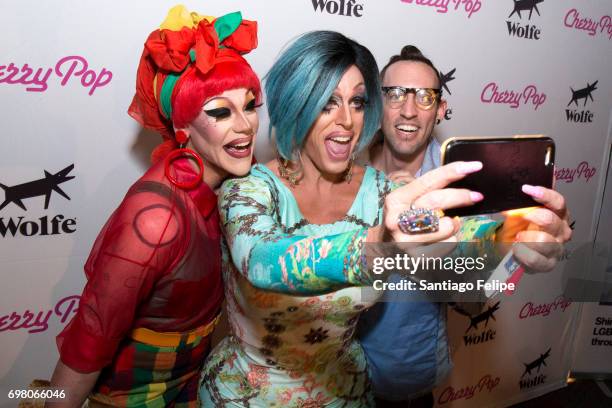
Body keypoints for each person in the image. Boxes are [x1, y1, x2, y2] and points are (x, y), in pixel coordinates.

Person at [198, 31, 489, 407]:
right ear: (297, 104)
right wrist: (373, 247)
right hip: (248, 395)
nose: (347, 121)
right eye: (327, 103)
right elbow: (261, 261)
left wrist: (513, 241)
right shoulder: (248, 190)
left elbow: (458, 259)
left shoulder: (385, 193)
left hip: (347, 392)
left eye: (357, 102)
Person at [46, 6, 261, 407]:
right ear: (182, 126)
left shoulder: (230, 188)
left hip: (191, 387)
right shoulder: (156, 218)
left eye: (250, 105)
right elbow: (90, 338)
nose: (246, 125)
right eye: (220, 111)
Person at [357, 45, 572, 407]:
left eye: (425, 97)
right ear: (378, 105)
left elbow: (474, 301)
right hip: (338, 375)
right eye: (395, 94)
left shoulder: (465, 190)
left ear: (440, 110)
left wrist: (514, 251)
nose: (409, 109)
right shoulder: (343, 171)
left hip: (411, 378)